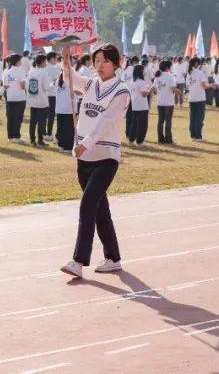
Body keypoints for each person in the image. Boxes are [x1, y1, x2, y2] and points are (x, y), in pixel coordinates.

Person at [59, 44, 129, 279]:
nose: (99, 65)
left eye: (105, 61)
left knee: (87, 204)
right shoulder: (90, 84)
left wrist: (85, 143)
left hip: (105, 158)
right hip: (83, 158)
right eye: (96, 60)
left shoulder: (121, 91)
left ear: (116, 63)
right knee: (100, 210)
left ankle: (78, 261)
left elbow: (106, 122)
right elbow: (71, 79)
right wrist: (65, 59)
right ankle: (113, 258)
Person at [26, 54, 50, 146]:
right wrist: (53, 83)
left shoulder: (31, 71)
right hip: (42, 100)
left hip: (33, 99)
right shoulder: (43, 73)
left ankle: (32, 140)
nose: (46, 63)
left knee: (33, 121)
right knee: (42, 121)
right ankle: (40, 140)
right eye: (45, 61)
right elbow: (46, 87)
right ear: (42, 62)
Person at [186, 57, 210, 141]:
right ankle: (198, 136)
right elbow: (204, 85)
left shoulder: (189, 73)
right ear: (196, 64)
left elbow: (188, 86)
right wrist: (210, 85)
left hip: (192, 98)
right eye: (199, 63)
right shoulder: (200, 73)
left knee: (193, 118)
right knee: (199, 118)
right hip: (200, 98)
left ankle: (193, 135)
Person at [127, 64, 152, 147]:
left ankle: (131, 140)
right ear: (140, 72)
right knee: (142, 125)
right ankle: (140, 142)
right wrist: (150, 89)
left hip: (135, 106)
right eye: (143, 70)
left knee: (134, 124)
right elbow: (144, 94)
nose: (145, 72)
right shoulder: (141, 82)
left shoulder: (133, 81)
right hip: (142, 106)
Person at [153, 60, 175, 144]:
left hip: (160, 101)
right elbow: (173, 88)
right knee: (168, 121)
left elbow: (154, 87)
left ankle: (160, 139)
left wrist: (157, 92)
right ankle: (168, 139)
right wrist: (177, 91)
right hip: (169, 102)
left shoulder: (158, 76)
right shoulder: (170, 76)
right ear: (167, 67)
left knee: (160, 121)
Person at [54, 67, 75, 152]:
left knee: (61, 128)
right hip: (68, 108)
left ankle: (61, 146)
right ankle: (68, 147)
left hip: (60, 109)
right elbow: (76, 92)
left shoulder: (58, 80)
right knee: (69, 128)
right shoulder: (69, 81)